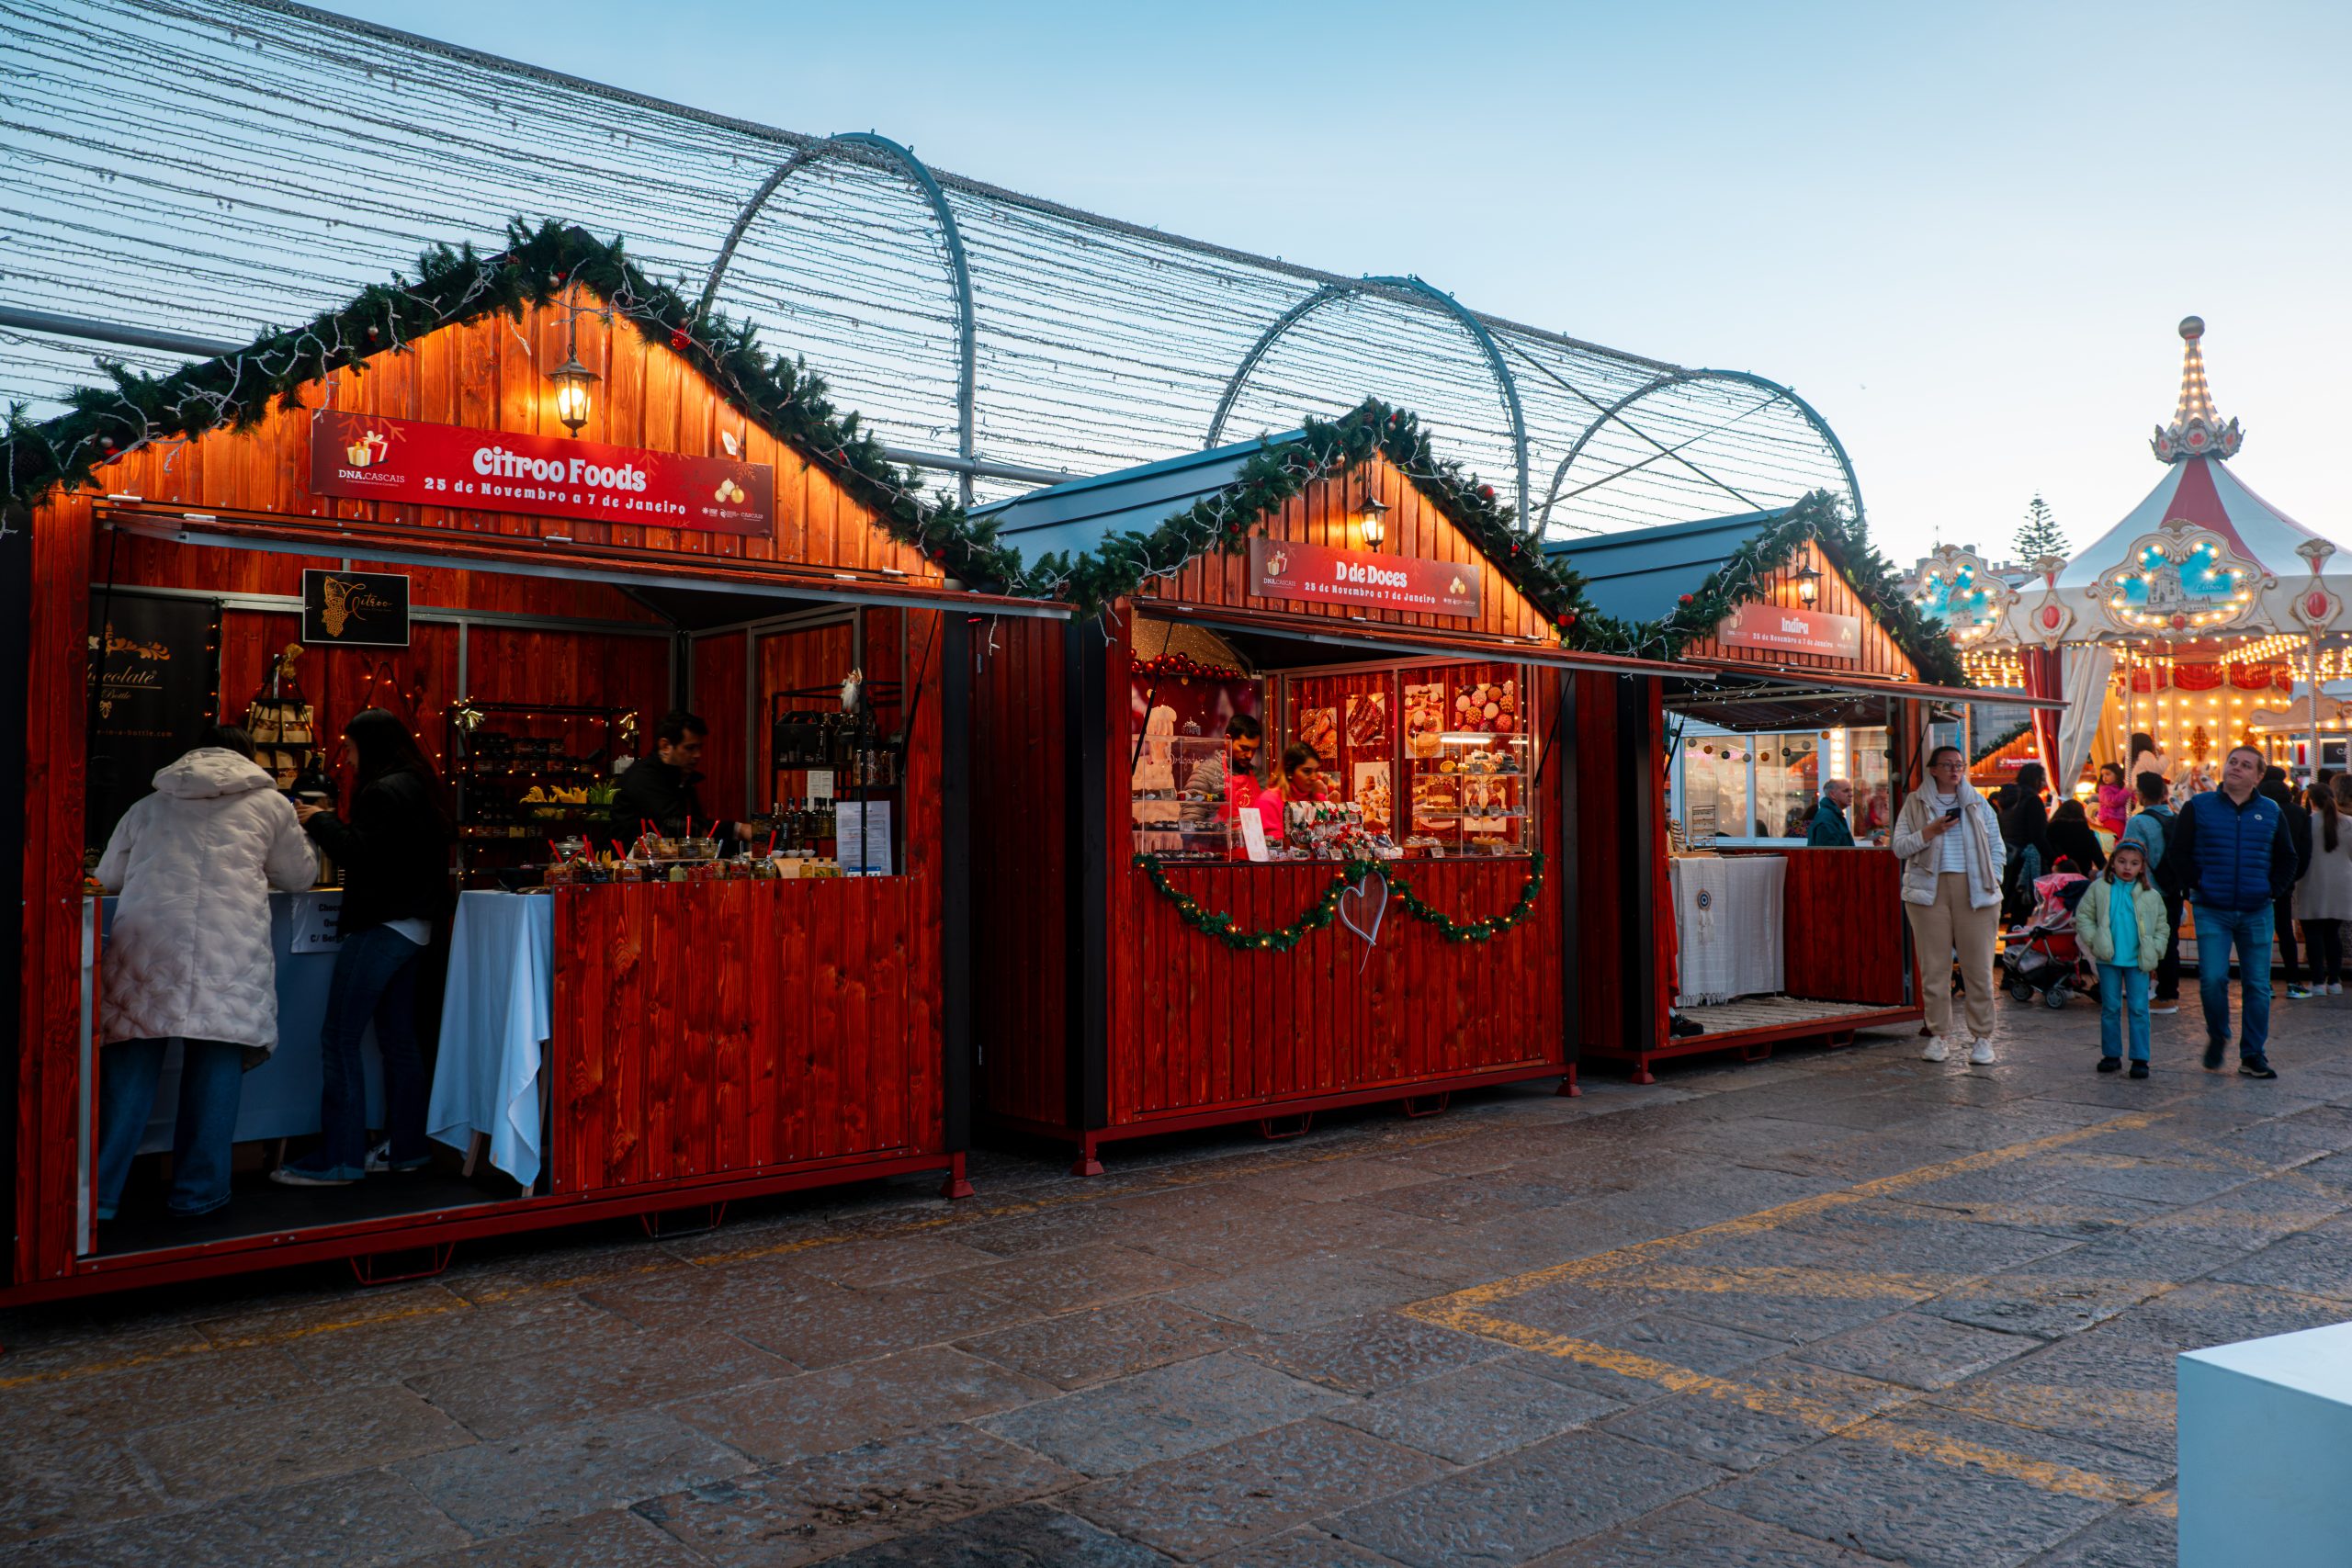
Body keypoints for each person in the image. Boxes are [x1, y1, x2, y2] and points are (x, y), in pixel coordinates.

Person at [92, 727, 319, 1219]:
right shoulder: (271, 804)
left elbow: (106, 877)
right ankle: (199, 1195)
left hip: (146, 947)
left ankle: (99, 1198)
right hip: (229, 949)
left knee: (129, 1070)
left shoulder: (149, 804)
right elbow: (300, 877)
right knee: (215, 1066)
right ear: (247, 758)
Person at [276, 710, 453, 1185]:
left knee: (339, 1038)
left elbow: (360, 851)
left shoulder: (382, 791)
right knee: (399, 1042)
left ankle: (340, 1156)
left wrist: (320, 821)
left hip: (381, 926)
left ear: (369, 746)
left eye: (351, 749)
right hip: (416, 925)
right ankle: (407, 1147)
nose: (348, 761)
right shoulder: (421, 784)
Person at [2170, 744, 2298, 1079]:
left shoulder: (2271, 811)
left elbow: (2288, 857)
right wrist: (2197, 883)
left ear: (2257, 776)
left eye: (2246, 765)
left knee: (2257, 984)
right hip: (2212, 907)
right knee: (2212, 978)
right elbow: (2178, 852)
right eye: (2232, 762)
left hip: (2257, 909)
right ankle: (2218, 1032)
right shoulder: (2198, 807)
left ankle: (2253, 1053)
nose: (2236, 768)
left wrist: (2272, 890)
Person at [1892, 745, 2007, 1066]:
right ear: (1933, 769)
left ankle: (1982, 1038)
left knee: (1979, 969)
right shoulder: (1915, 803)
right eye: (1948, 765)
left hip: (1976, 890)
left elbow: (1997, 844)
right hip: (1929, 891)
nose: (1955, 770)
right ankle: (1939, 1035)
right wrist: (1928, 832)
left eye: (1960, 765)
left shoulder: (1976, 801)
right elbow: (1899, 847)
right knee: (1934, 970)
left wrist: (1993, 876)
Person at [2079, 840, 2166, 1079]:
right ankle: (2111, 1054)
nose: (2127, 867)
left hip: (2138, 961)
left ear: (2142, 867)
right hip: (2108, 959)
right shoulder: (2099, 889)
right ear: (2113, 862)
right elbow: (2084, 916)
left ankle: (2140, 1057)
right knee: (2111, 1007)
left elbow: (2162, 926)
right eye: (2122, 861)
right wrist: (2094, 940)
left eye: (2134, 863)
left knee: (2139, 1008)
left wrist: (2155, 949)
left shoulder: (2151, 895)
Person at [616, 710, 753, 850]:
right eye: (690, 748)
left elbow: (692, 824)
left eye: (699, 747)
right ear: (665, 746)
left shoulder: (679, 776)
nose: (697, 755)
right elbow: (677, 825)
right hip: (631, 865)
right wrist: (738, 829)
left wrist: (737, 829)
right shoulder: (643, 777)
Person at [2124, 771, 2185, 1013]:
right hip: (2173, 889)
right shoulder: (2177, 818)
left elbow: (2129, 858)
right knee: (2169, 942)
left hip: (2149, 890)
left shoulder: (2138, 822)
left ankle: (2162, 994)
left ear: (2140, 794)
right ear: (2164, 793)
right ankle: (2167, 991)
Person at [2259, 765, 2315, 998]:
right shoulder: (2299, 813)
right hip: (2284, 880)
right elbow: (2304, 849)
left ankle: (2264, 983)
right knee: (2285, 932)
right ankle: (2293, 980)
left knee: (2260, 934)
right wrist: (2293, 876)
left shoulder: (2260, 811)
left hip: (2260, 879)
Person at [2297, 780, 2352, 995]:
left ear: (2311, 801)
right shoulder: (2348, 823)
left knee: (2313, 934)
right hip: (2341, 884)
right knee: (2332, 934)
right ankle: (2335, 980)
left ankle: (2318, 981)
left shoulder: (2307, 823)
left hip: (2312, 882)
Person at [1180, 712, 1263, 829]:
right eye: (1244, 748)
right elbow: (1188, 827)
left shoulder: (1261, 778)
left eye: (1254, 750)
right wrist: (1220, 833)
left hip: (1253, 848)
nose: (1249, 755)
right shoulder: (1205, 774)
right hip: (1216, 848)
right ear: (1227, 740)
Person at [2001, 762, 2054, 920]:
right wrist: (2055, 858)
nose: (2044, 784)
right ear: (2036, 779)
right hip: (2027, 859)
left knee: (2011, 904)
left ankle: (2012, 940)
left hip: (2008, 855)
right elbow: (2037, 836)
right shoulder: (2032, 800)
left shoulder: (2009, 799)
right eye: (2043, 779)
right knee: (2024, 906)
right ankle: (2016, 941)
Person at [2049, 797, 2108, 875]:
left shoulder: (2051, 830)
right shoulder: (2086, 834)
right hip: (2081, 880)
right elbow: (2101, 862)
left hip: (2054, 879)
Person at [1806, 778, 1855, 846]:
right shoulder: (1827, 818)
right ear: (1832, 794)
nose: (1851, 795)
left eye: (1851, 791)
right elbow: (1827, 853)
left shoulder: (1834, 816)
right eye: (1846, 791)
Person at [2093, 762, 2132, 843]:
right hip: (2110, 818)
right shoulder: (2104, 789)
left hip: (2121, 818)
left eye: (2107, 774)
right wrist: (2126, 791)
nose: (2104, 777)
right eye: (2103, 775)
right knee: (2119, 832)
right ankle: (2118, 848)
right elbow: (2112, 802)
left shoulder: (2121, 788)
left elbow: (2131, 799)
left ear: (2117, 775)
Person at [2128, 731, 2168, 804]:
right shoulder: (2145, 754)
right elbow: (2159, 769)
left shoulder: (2131, 757)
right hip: (2144, 789)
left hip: (2135, 789)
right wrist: (2163, 756)